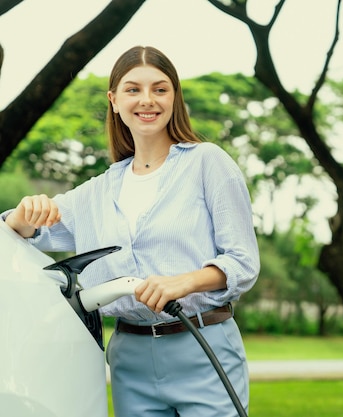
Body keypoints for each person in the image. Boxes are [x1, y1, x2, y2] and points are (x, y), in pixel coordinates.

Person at [2, 45, 260, 417]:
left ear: (174, 97)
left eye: (160, 89)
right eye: (133, 89)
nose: (147, 100)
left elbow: (242, 262)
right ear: (114, 100)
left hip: (203, 345)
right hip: (129, 357)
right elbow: (24, 231)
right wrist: (25, 214)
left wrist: (183, 282)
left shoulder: (208, 163)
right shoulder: (99, 190)